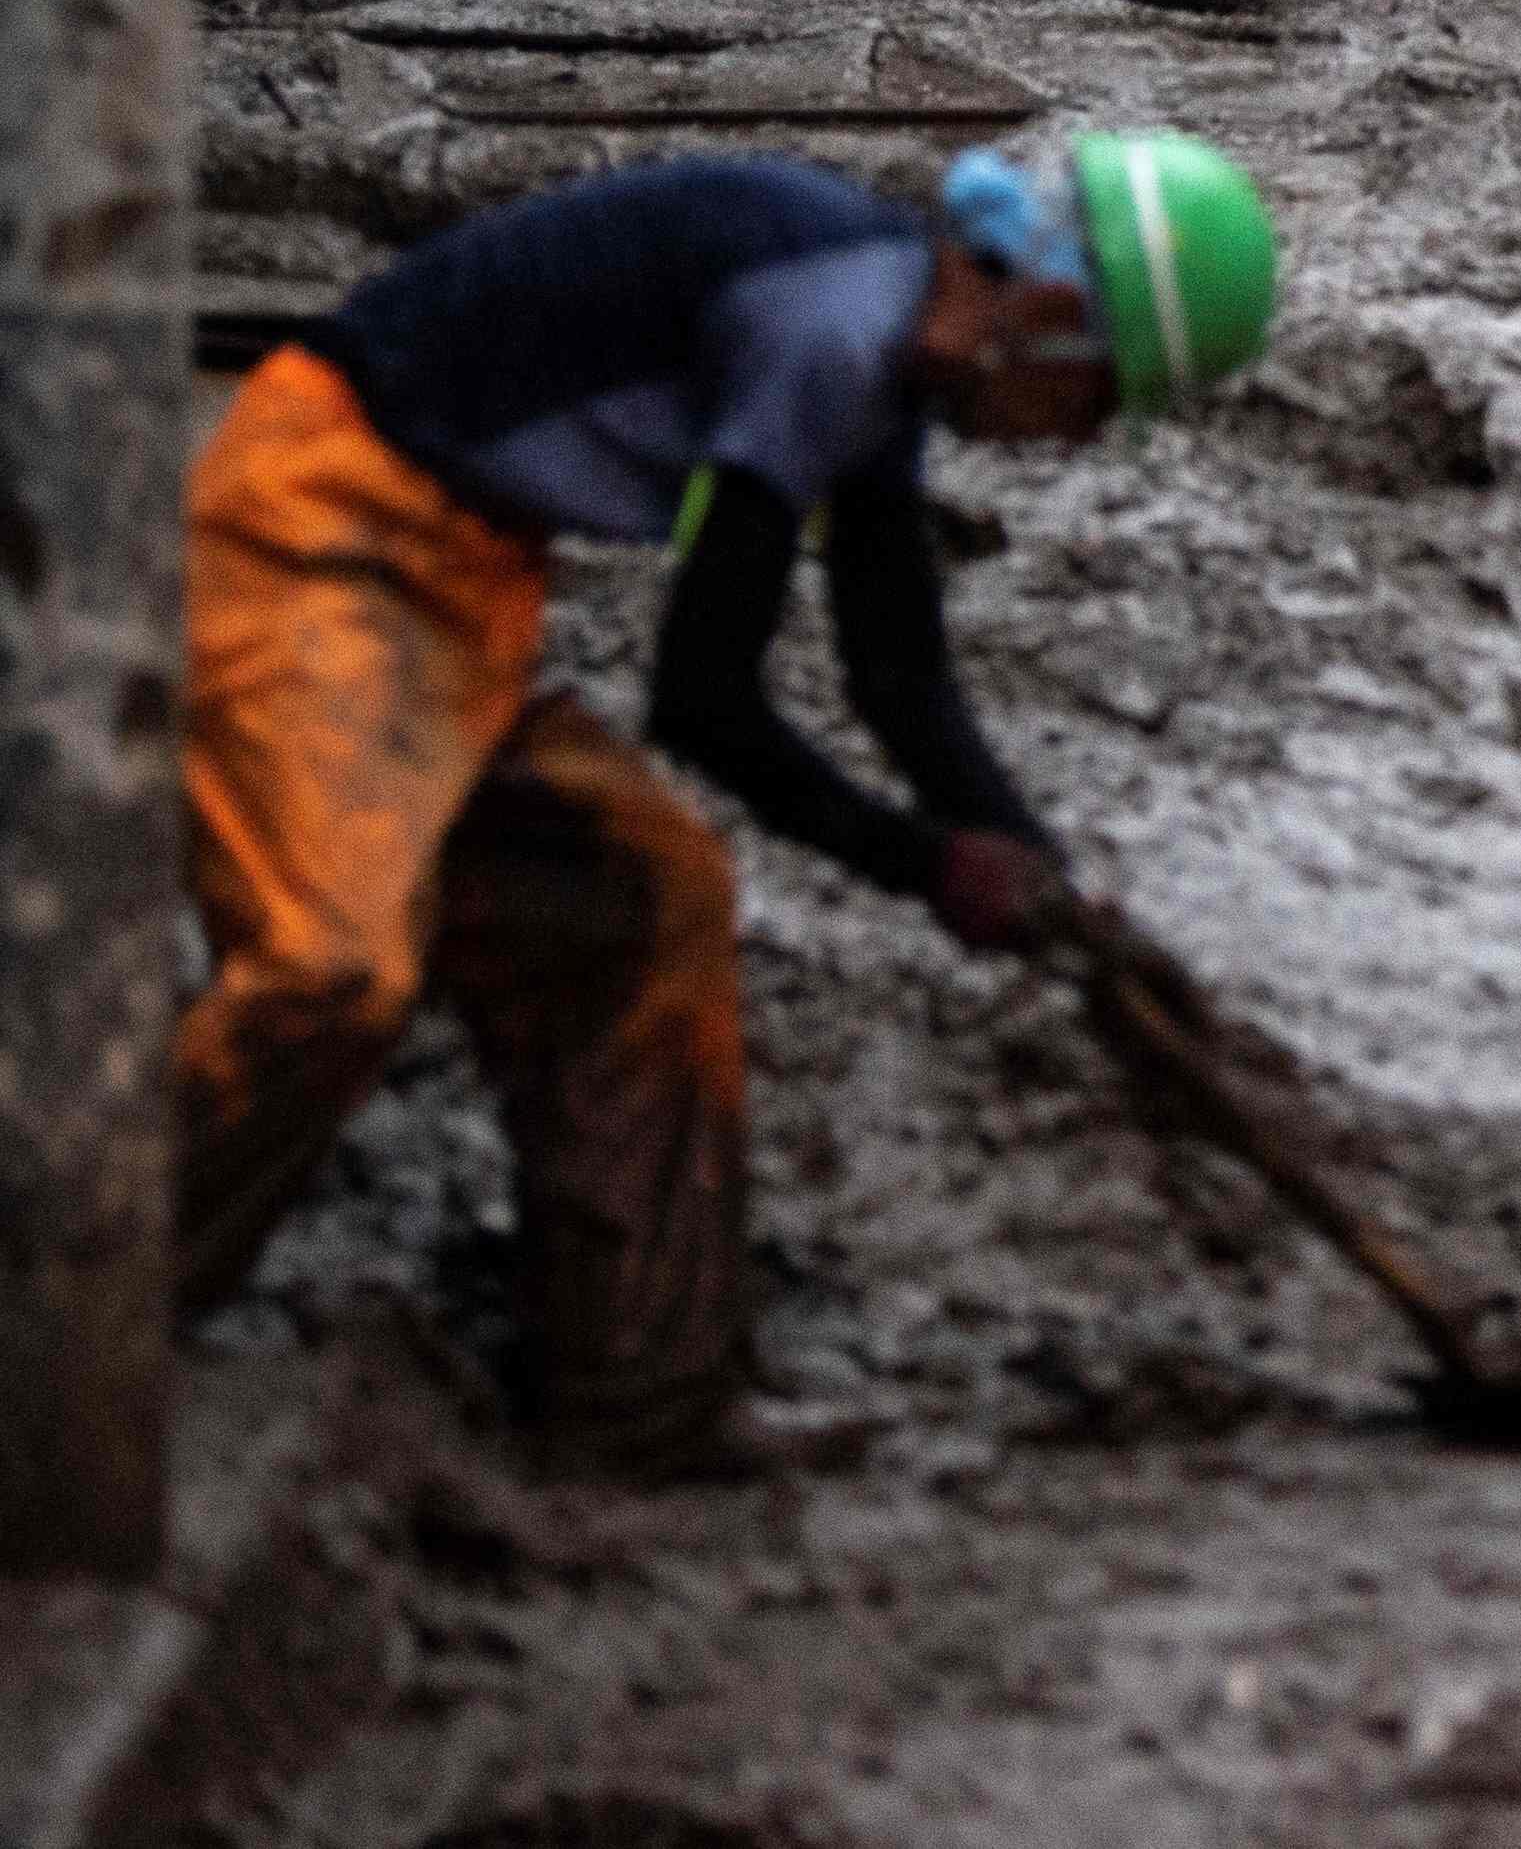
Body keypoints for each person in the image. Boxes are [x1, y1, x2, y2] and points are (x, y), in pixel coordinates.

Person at [171, 130, 1280, 1476]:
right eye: (1101, 397)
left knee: (646, 898)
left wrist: (1053, 891)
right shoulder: (825, 333)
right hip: (312, 528)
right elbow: (702, 698)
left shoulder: (883, 331)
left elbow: (898, 673)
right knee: (328, 967)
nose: (1080, 435)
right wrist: (930, 866)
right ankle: (71, 1313)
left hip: (457, 583)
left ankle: (640, 1408)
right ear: (1050, 317)